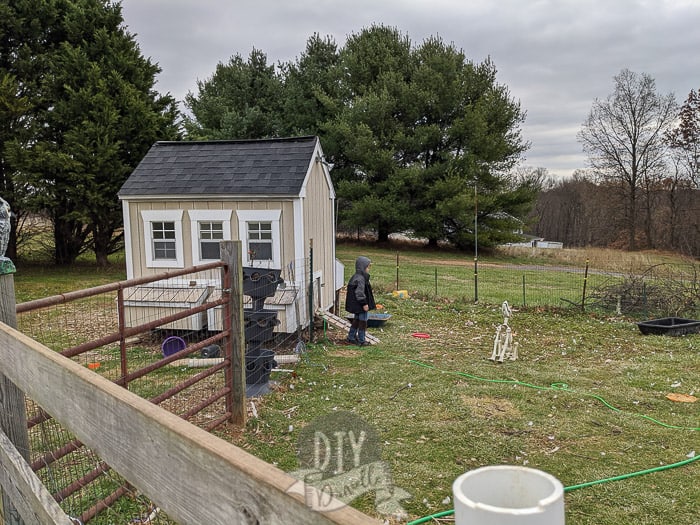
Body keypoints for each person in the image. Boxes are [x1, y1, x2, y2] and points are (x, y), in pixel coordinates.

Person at [345, 256, 376, 346]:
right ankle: (362, 340)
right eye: (367, 267)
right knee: (363, 322)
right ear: (363, 267)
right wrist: (364, 304)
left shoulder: (356, 277)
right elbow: (359, 293)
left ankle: (351, 337)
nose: (368, 269)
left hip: (356, 305)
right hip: (360, 305)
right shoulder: (360, 279)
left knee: (356, 321)